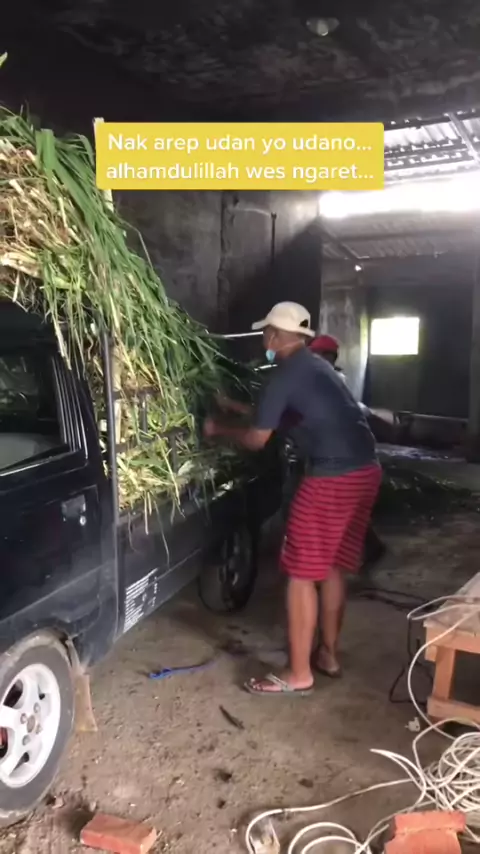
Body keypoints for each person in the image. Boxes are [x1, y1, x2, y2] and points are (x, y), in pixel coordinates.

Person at [204, 301, 382, 696]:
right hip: (365, 471)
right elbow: (282, 415)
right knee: (332, 566)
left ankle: (298, 674)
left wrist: (218, 429)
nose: (263, 339)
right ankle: (328, 655)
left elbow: (257, 438)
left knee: (301, 575)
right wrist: (234, 408)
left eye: (265, 333)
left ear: (275, 335)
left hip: (331, 478)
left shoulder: (283, 376)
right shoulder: (316, 367)